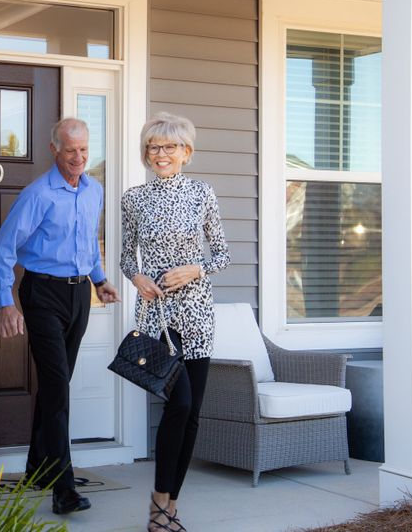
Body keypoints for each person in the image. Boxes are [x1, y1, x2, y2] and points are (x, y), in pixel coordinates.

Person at [0, 117, 121, 515]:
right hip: (42, 293)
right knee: (57, 388)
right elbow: (3, 250)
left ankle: (36, 468)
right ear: (54, 150)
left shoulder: (94, 190)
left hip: (79, 294)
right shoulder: (38, 195)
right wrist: (5, 302)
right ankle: (63, 490)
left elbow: (89, 244)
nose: (79, 158)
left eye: (84, 150)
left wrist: (99, 281)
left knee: (56, 383)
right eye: (70, 151)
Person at [120, 112, 230, 531]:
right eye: (153, 147)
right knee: (178, 403)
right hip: (155, 316)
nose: (160, 154)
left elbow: (221, 254)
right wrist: (137, 277)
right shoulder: (134, 198)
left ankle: (168, 506)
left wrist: (194, 270)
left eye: (169, 147)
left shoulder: (202, 193)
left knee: (192, 413)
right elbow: (127, 255)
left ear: (186, 152)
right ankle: (157, 504)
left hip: (197, 314)